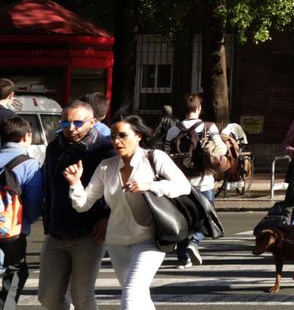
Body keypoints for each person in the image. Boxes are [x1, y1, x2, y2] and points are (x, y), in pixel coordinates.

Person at [63, 115, 191, 310]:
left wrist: (149, 185)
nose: (116, 141)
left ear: (138, 135)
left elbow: (183, 187)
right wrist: (75, 184)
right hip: (117, 242)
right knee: (139, 296)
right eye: (113, 136)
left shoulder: (154, 158)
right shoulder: (107, 166)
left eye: (123, 135)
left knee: (131, 296)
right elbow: (82, 204)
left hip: (150, 238)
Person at [38, 99, 114, 310]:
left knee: (82, 296)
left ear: (93, 122)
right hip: (56, 231)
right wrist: (48, 222)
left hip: (89, 233)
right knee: (47, 297)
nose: (70, 128)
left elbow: (115, 188)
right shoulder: (54, 147)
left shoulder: (105, 149)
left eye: (77, 123)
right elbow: (49, 187)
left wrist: (107, 216)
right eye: (65, 123)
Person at [163, 93, 220, 268]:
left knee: (183, 220)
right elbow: (222, 149)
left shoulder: (173, 131)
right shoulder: (208, 127)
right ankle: (194, 243)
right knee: (207, 215)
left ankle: (182, 259)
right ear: (199, 108)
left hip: (179, 183)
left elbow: (165, 155)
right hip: (203, 181)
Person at [1, 116, 45, 310]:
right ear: (27, 136)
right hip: (13, 229)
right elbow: (34, 201)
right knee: (17, 271)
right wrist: (26, 220)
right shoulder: (28, 164)